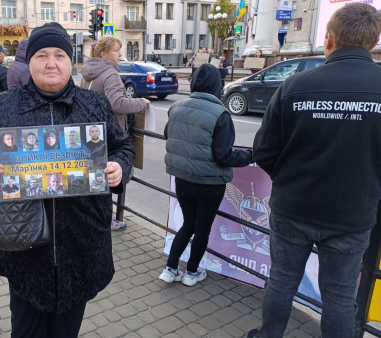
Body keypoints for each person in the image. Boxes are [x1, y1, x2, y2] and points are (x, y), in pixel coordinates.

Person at [0, 21, 135, 337]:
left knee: (66, 331)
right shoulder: (6, 105)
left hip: (81, 242)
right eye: (42, 55)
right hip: (25, 242)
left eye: (59, 55)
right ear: (29, 61)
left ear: (70, 61)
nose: (51, 63)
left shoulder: (94, 104)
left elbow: (123, 146)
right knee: (26, 330)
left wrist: (118, 167)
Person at [248, 5, 381, 338]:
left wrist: (291, 178)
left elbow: (263, 151)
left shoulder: (294, 86)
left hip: (293, 206)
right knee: (339, 296)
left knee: (281, 281)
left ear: (329, 39)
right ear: (374, 41)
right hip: (353, 213)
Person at [159, 64, 252, 286]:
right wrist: (250, 156)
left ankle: (170, 269)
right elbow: (223, 155)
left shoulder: (176, 108)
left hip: (182, 179)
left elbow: (168, 135)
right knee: (202, 229)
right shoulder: (221, 113)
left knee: (187, 224)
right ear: (216, 85)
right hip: (210, 183)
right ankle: (191, 273)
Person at [81, 37, 149, 133]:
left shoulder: (87, 73)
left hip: (92, 130)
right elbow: (117, 103)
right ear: (103, 54)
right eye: (116, 50)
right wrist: (141, 102)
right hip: (112, 132)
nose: (120, 54)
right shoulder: (110, 73)